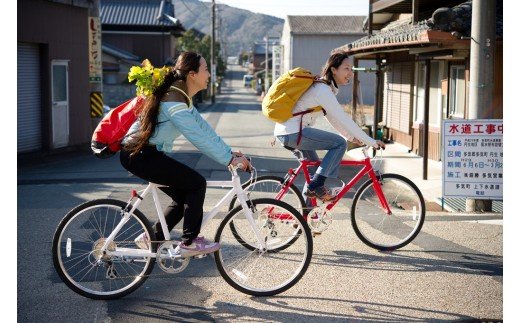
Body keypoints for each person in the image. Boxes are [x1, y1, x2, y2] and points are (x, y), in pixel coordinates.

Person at [120, 52, 251, 256]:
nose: (209, 74)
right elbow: (196, 137)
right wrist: (229, 159)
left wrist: (228, 152)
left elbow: (204, 128)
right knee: (197, 184)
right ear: (192, 74)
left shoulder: (181, 97)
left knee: (185, 196)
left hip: (146, 154)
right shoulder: (174, 102)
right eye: (206, 69)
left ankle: (151, 237)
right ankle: (189, 243)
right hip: (139, 155)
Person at [274, 50, 385, 203]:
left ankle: (306, 216)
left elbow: (333, 119)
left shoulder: (325, 89)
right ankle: (315, 188)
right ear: (334, 69)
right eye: (346, 68)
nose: (350, 73)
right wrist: (370, 141)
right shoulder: (323, 90)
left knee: (315, 175)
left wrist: (352, 137)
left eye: (351, 69)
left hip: (290, 132)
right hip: (294, 133)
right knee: (339, 144)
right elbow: (344, 119)